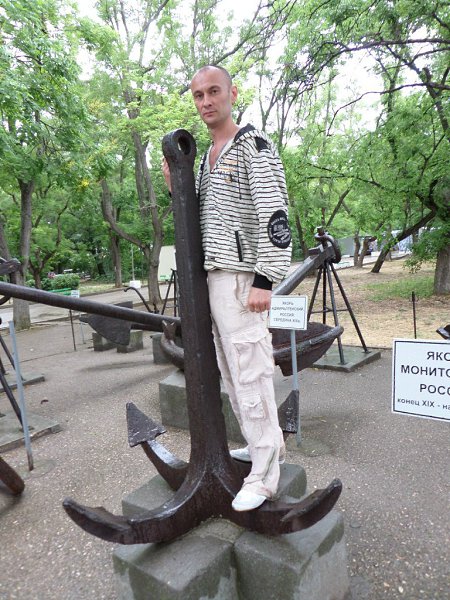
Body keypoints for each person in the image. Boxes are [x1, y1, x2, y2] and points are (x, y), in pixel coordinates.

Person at [163, 65, 292, 511]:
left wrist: (265, 279)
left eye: (213, 91)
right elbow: (209, 218)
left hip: (242, 281)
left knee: (251, 372)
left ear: (232, 94)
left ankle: (265, 476)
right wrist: (177, 188)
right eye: (198, 95)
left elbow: (275, 215)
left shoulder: (253, 147)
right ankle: (262, 447)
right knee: (233, 372)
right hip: (213, 281)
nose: (205, 101)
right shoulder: (207, 158)